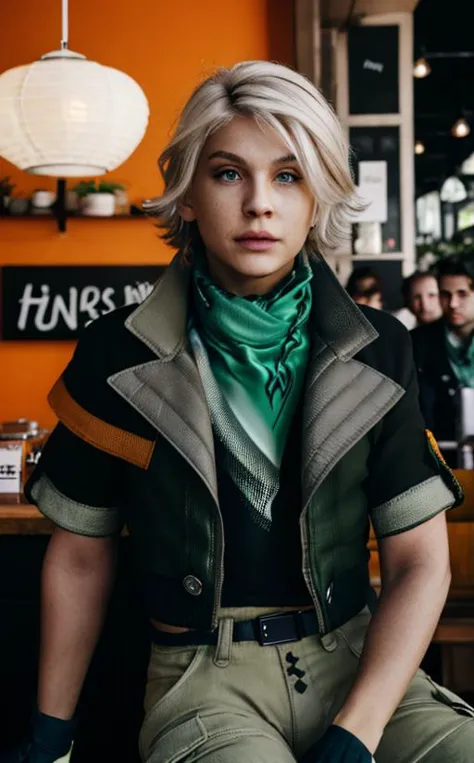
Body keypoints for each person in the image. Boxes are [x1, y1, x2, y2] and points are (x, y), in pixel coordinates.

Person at [2, 60, 471, 763]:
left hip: (366, 670)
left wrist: (358, 732)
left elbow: (421, 563)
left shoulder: (381, 349)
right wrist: (52, 731)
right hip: (201, 680)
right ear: (187, 192)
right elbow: (77, 556)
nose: (260, 203)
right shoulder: (115, 352)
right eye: (228, 173)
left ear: (319, 195)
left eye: (288, 175)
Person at [412, 257, 474, 444]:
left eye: (462, 294)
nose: (453, 303)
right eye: (446, 294)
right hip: (438, 454)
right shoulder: (416, 343)